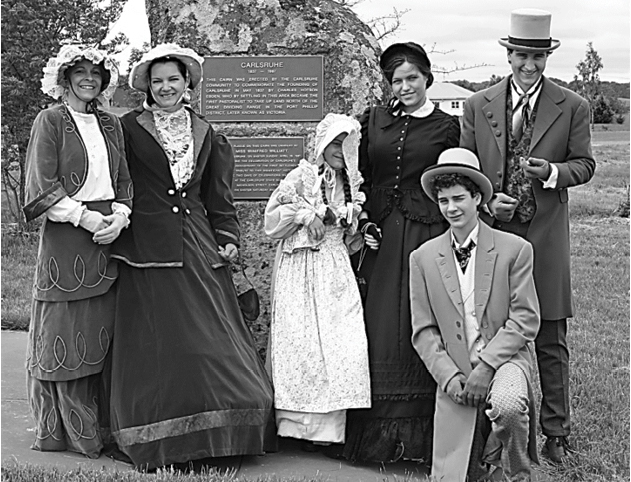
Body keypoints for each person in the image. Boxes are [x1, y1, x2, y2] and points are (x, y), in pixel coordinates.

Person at [109, 43, 274, 470]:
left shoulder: (208, 132)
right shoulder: (127, 129)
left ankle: (227, 432)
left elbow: (219, 199)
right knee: (159, 342)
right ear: (147, 85)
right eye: (157, 80)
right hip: (146, 247)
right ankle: (159, 438)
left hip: (200, 245)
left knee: (212, 339)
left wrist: (228, 236)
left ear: (187, 84)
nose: (165, 87)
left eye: (173, 80)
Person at [460, 8, 596, 463]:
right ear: (509, 54)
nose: (529, 65)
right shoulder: (477, 105)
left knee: (551, 335)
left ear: (547, 57)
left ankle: (556, 433)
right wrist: (486, 201)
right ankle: (486, 426)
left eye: (538, 57)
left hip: (545, 238)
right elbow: (467, 168)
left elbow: (586, 164)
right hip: (494, 235)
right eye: (522, 55)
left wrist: (555, 172)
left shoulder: (574, 105)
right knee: (487, 327)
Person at [344, 42, 461, 463]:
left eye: (413, 78)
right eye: (397, 80)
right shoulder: (373, 121)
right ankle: (373, 434)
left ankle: (423, 437)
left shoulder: (446, 126)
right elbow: (360, 177)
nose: (406, 86)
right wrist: (361, 222)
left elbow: (451, 181)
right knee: (378, 321)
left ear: (427, 78)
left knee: (421, 318)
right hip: (379, 237)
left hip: (424, 232)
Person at [23, 45, 131, 458]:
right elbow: (41, 186)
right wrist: (86, 219)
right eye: (80, 72)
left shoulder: (111, 123)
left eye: (96, 72)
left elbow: (123, 179)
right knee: (65, 330)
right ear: (64, 79)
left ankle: (101, 425)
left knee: (101, 328)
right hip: (68, 234)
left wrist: (120, 216)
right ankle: (65, 430)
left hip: (109, 236)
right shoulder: (49, 120)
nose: (89, 78)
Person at [410, 147, 540, 482]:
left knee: (509, 405)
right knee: (458, 474)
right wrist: (449, 377)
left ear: (478, 197)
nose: (451, 208)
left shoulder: (515, 250)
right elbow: (423, 330)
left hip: (506, 358)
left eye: (459, 198)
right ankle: (482, 461)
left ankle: (517, 472)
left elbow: (525, 319)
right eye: (443, 201)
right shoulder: (422, 258)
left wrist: (487, 367)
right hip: (455, 365)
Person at [264, 114, 371, 450]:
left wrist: (358, 232)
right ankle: (294, 428)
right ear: (322, 144)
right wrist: (304, 215)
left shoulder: (353, 184)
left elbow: (349, 233)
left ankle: (329, 431)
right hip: (300, 267)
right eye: (335, 143)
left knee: (341, 341)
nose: (341, 150)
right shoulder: (301, 176)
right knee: (300, 343)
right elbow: (272, 221)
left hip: (335, 269)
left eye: (347, 144)